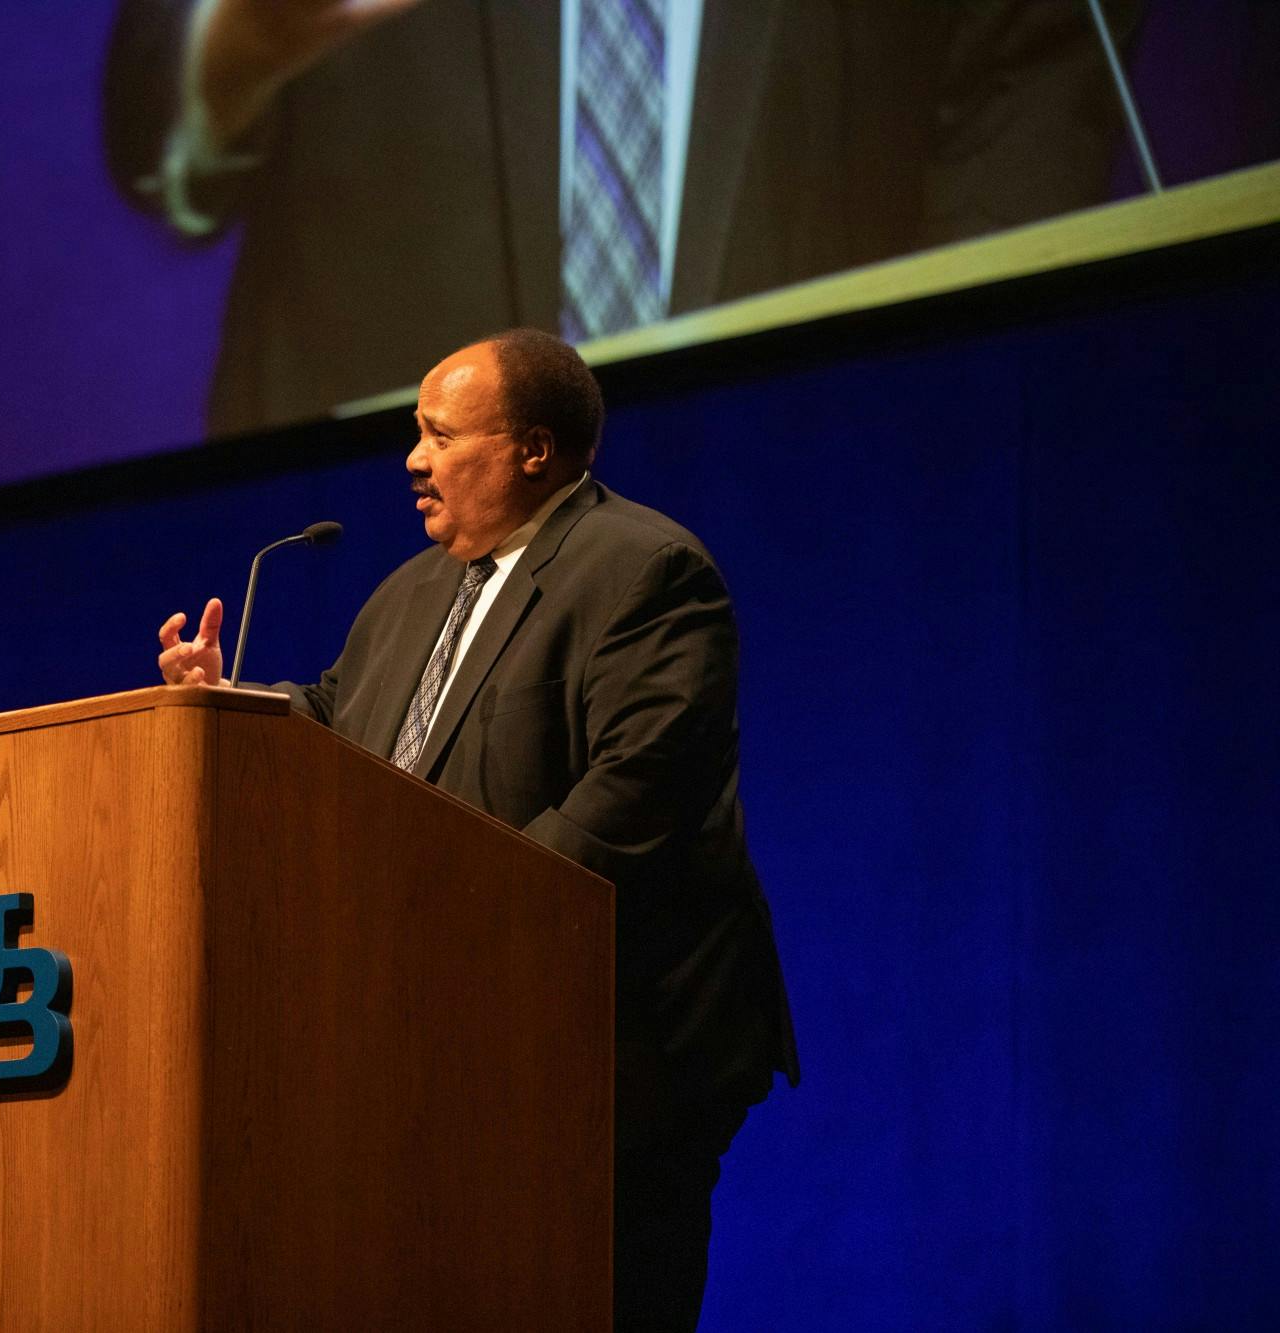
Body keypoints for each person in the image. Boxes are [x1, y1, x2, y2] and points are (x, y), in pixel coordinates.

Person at [156, 328, 797, 1329]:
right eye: (414, 434)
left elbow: (636, 792)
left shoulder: (644, 570)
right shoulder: (408, 593)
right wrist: (230, 703)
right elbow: (336, 720)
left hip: (607, 1053)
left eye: (438, 434)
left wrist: (455, 928)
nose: (410, 458)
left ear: (531, 451)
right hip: (429, 1048)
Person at [105, 0, 1139, 437]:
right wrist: (234, 50)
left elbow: (1028, 102)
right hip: (367, 578)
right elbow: (157, 79)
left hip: (821, 540)